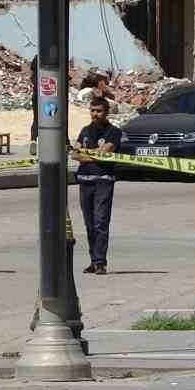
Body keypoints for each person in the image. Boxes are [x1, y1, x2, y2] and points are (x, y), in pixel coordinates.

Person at [73, 97, 123, 275]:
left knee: (100, 221)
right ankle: (93, 261)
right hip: (85, 180)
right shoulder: (85, 131)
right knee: (89, 224)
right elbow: (75, 154)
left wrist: (87, 154)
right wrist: (91, 154)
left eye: (99, 111)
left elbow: (105, 152)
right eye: (92, 110)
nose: (95, 114)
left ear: (106, 112)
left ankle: (101, 262)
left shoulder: (113, 132)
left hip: (103, 180)